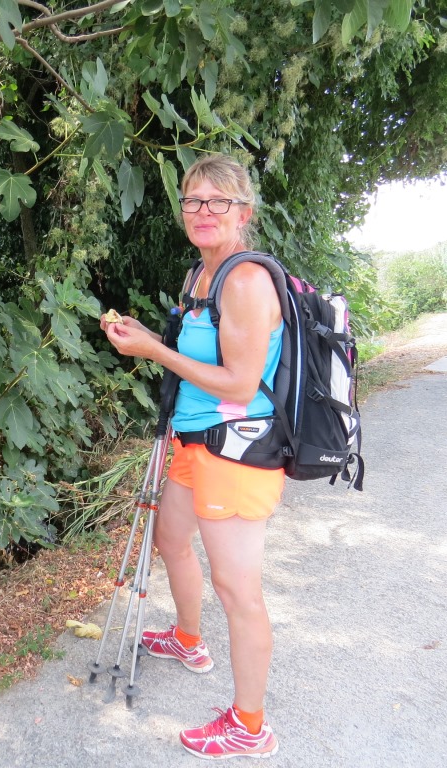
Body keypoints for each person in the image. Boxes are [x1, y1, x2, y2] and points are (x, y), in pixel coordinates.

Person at [101, 153, 284, 760]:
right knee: (171, 539)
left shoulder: (246, 282)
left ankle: (250, 727)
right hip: (193, 438)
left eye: (218, 201)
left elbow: (239, 383)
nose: (203, 211)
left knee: (238, 589)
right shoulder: (199, 275)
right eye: (193, 201)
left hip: (237, 449)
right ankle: (188, 638)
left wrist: (155, 352)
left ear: (243, 213)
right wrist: (147, 337)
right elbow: (195, 354)